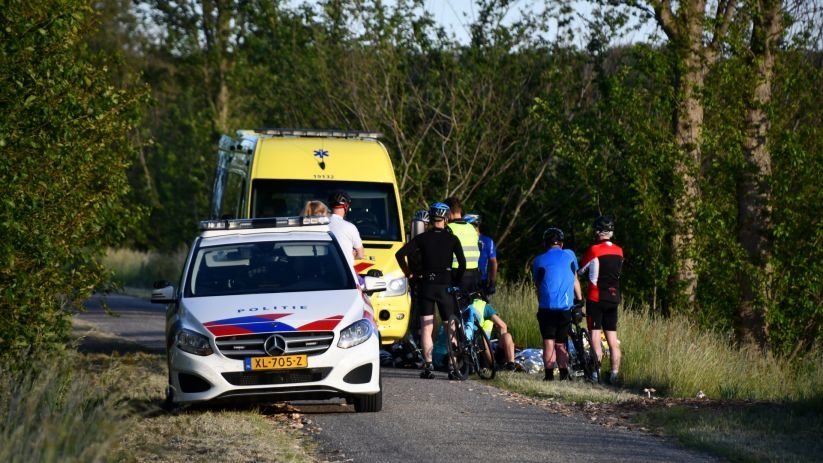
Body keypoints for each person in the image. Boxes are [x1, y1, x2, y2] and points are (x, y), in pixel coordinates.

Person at [395, 202, 466, 379]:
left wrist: (409, 273)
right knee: (450, 326)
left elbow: (399, 254)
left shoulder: (422, 238)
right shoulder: (452, 239)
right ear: (446, 217)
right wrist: (455, 279)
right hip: (445, 286)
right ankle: (452, 367)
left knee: (427, 327)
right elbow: (463, 263)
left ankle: (428, 366)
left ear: (431, 218)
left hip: (426, 285)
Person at [578, 215, 624, 385]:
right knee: (613, 340)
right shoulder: (619, 251)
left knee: (595, 337)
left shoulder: (594, 250)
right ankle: (614, 375)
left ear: (598, 231)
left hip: (596, 298)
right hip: (614, 297)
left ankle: (596, 376)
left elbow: (581, 270)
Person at [532, 227, 582, 381]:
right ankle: (564, 374)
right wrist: (579, 300)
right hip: (565, 308)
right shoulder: (570, 255)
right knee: (561, 343)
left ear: (545, 243)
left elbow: (538, 286)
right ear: (561, 243)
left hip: (546, 308)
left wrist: (542, 303)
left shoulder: (538, 260)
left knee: (548, 342)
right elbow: (574, 280)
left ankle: (548, 376)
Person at [468, 296, 517, 370]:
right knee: (507, 336)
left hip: (472, 350)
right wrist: (502, 342)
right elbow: (503, 326)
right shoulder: (485, 307)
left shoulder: (461, 305)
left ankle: (497, 365)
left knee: (483, 339)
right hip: (485, 352)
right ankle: (510, 364)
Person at [443, 197, 481, 292]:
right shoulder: (472, 228)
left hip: (456, 273)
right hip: (474, 275)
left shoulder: (448, 229)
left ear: (448, 212)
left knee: (454, 305)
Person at [327, 190, 365, 272]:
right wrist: (350, 253)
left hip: (324, 273)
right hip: (344, 275)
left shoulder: (320, 224)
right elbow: (361, 254)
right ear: (346, 207)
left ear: (330, 206)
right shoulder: (350, 227)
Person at [463, 213, 498, 297]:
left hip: (481, 280)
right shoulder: (463, 239)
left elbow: (493, 262)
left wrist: (492, 281)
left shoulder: (487, 241)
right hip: (467, 278)